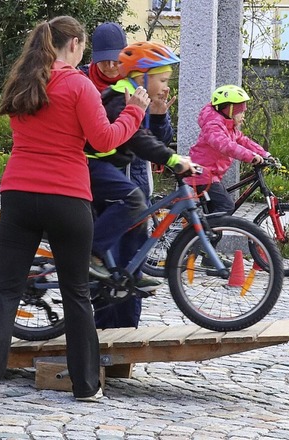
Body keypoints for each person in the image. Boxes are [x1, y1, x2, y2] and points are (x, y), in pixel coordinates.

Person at [0, 15, 150, 404]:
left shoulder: (25, 80)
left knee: (8, 291)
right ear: (76, 43)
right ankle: (85, 387)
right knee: (76, 292)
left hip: (18, 194)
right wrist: (134, 111)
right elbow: (103, 139)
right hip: (67, 196)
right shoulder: (79, 85)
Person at [86, 42, 194, 329]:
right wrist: (173, 159)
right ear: (141, 76)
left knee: (134, 243)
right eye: (162, 79)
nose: (166, 86)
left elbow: (155, 137)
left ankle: (127, 325)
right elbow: (137, 139)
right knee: (109, 261)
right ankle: (91, 255)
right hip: (101, 175)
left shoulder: (141, 97)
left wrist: (159, 114)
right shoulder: (120, 97)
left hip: (130, 183)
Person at [187, 84, 269, 215]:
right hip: (202, 174)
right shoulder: (213, 126)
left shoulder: (228, 127)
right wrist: (251, 156)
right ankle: (196, 234)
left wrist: (264, 154)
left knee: (214, 215)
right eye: (241, 111)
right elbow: (226, 146)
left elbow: (243, 140)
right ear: (229, 110)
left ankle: (203, 232)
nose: (243, 115)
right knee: (226, 207)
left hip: (210, 175)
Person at [78, 22, 127, 92]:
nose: (110, 66)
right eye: (103, 59)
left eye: (116, 58)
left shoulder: (140, 80)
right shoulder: (79, 80)